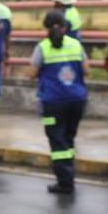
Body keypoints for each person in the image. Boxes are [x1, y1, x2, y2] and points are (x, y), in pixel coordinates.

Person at [28, 11, 89, 194]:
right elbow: (87, 71)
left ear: (46, 27)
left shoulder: (43, 47)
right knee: (69, 138)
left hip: (53, 102)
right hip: (77, 100)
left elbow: (31, 74)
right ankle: (69, 173)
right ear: (65, 27)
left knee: (57, 140)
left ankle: (65, 182)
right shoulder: (76, 45)